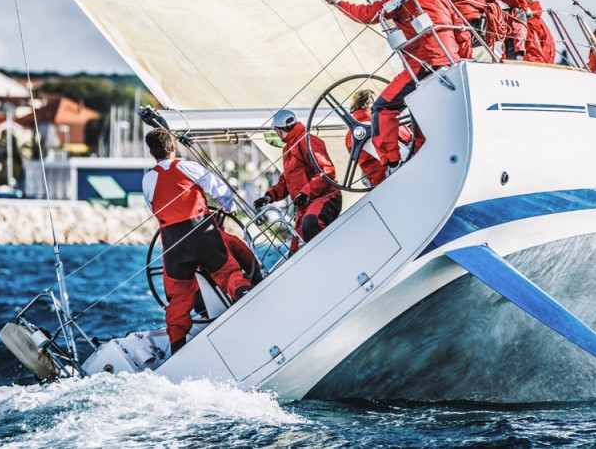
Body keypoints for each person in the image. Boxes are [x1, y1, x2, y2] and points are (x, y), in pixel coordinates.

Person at [326, 0, 467, 173]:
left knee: (382, 108)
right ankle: (423, 153)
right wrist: (462, 61)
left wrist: (339, 3)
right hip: (452, 61)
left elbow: (367, 15)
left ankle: (392, 164)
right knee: (418, 108)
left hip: (423, 63)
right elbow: (462, 32)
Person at [142, 128, 252, 354]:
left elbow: (155, 208)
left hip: (173, 243)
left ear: (152, 153)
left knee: (179, 297)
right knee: (227, 273)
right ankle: (246, 294)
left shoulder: (148, 179)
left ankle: (177, 348)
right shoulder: (188, 167)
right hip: (203, 232)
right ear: (173, 146)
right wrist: (227, 209)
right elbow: (221, 192)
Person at [253, 109, 343, 246]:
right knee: (295, 250)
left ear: (280, 130)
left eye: (277, 130)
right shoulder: (288, 148)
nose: (278, 134)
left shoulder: (307, 141)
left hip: (325, 198)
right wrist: (269, 196)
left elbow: (327, 171)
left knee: (311, 224)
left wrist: (306, 193)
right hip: (305, 206)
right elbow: (286, 180)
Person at [345, 88, 412, 187]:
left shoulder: (349, 137)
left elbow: (356, 158)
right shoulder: (380, 119)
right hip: (401, 169)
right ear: (371, 102)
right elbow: (406, 137)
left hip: (378, 181)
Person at [523, 0, 556, 64]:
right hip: (544, 62)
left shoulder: (530, 23)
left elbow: (533, 52)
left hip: (535, 64)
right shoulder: (536, 20)